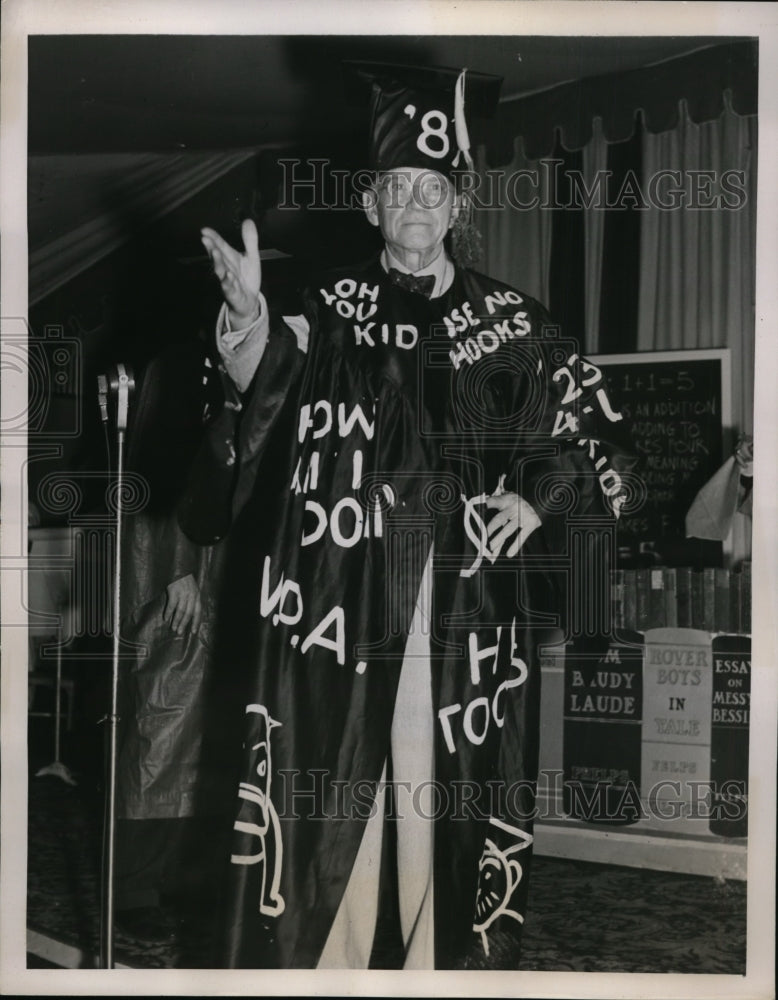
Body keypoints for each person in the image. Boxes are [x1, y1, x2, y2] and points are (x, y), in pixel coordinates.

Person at [179, 63, 632, 969]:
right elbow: (263, 400)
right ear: (372, 207)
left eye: (433, 189)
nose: (417, 205)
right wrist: (244, 326)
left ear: (456, 206)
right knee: (332, 800)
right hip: (335, 607)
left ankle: (443, 976)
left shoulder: (516, 326)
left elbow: (599, 447)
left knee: (443, 807)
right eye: (398, 191)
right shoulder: (324, 311)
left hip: (461, 615)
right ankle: (326, 975)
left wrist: (535, 501)